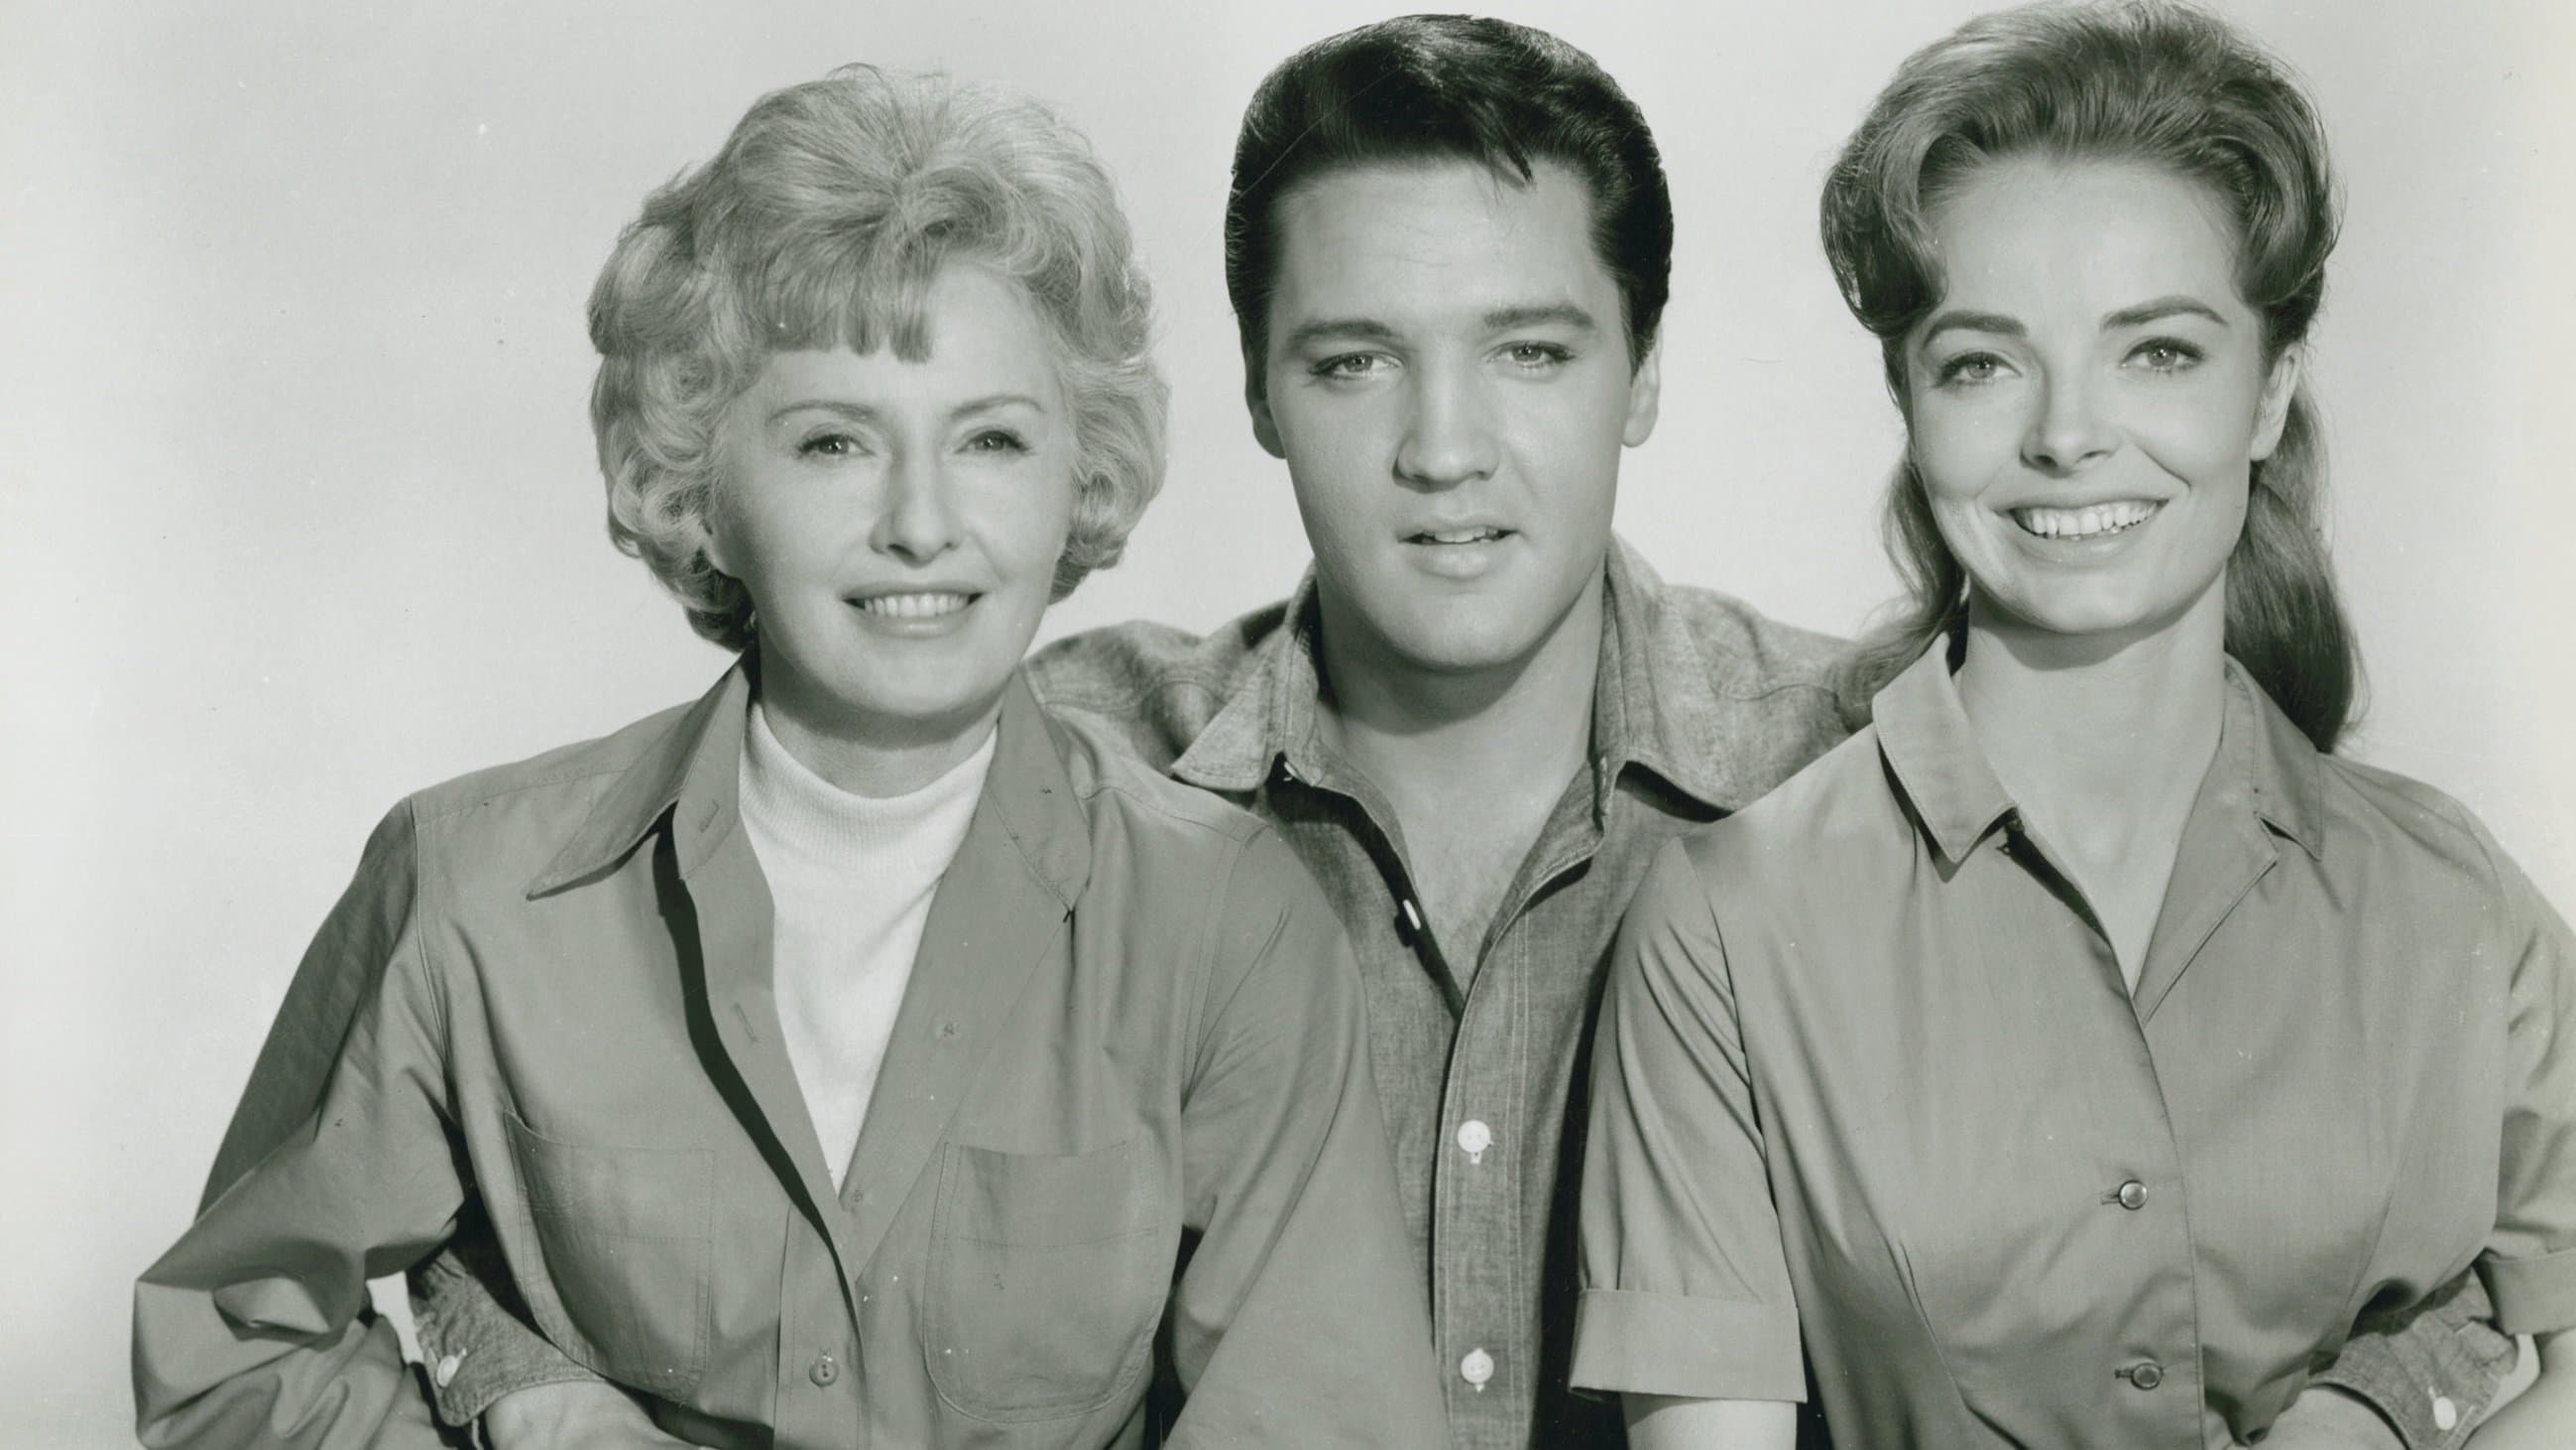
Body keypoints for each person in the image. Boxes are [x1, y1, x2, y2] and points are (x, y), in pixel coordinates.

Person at [280, 16, 2506, 1450]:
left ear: (1644, 379)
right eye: (1354, 364)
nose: (1448, 448)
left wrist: (2385, 1406)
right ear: (1251, 392)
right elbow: (588, 1159)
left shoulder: (1868, 782)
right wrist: (509, 1377)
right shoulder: (1058, 758)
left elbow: (2307, 1224)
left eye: (1532, 355)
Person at [131, 64, 1446, 1450]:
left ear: (1081, 473)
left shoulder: (1224, 921)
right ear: (698, 486)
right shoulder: (469, 890)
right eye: (833, 443)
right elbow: (231, 1346)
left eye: (991, 439)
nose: (921, 523)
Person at [1570, 2, 2576, 1446]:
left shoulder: (2448, 901)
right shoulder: (1727, 928)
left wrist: (2387, 1408)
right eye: (1982, 360)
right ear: (1909, 400)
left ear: (2269, 388)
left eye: (2156, 352)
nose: (2065, 434)